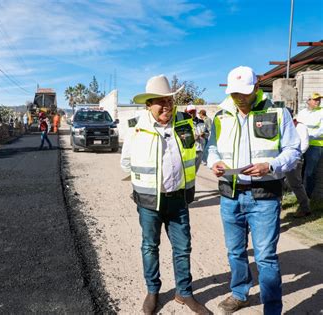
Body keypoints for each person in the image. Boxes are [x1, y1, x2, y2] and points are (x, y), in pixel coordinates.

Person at [207, 66, 300, 315]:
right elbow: (212, 149)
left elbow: (293, 150)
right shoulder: (221, 116)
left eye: (245, 93)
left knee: (266, 257)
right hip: (230, 194)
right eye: (235, 93)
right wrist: (213, 162)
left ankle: (272, 309)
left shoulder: (277, 112)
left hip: (264, 197)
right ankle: (240, 293)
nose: (240, 98)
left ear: (257, 88)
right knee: (235, 251)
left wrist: (270, 165)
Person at [120, 75, 209, 315]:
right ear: (148, 105)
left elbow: (194, 154)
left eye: (169, 100)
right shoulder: (136, 128)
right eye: (160, 101)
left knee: (183, 248)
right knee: (150, 246)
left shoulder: (184, 124)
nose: (166, 106)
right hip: (149, 201)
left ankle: (185, 293)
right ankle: (153, 291)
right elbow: (126, 163)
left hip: (178, 199)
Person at [284, 107, 311, 218]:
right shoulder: (282, 125)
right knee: (278, 183)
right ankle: (278, 205)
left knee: (295, 184)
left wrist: (294, 156)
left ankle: (305, 208)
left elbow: (304, 144)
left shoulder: (300, 127)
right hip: (281, 159)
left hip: (295, 159)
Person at [296, 92, 322, 199]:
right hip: (301, 146)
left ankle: (307, 197)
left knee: (310, 172)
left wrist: (307, 137)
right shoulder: (302, 113)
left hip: (316, 146)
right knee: (300, 170)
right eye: (315, 99)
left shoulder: (322, 112)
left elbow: (321, 130)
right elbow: (297, 128)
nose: (318, 101)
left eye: (319, 99)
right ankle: (299, 195)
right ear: (308, 101)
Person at [185, 104, 207, 172]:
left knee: (195, 172)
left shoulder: (202, 121)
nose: (192, 114)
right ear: (187, 112)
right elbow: (182, 136)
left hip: (200, 150)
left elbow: (207, 132)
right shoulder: (185, 122)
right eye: (190, 112)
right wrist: (192, 137)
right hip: (190, 151)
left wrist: (205, 134)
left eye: (193, 112)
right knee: (188, 172)